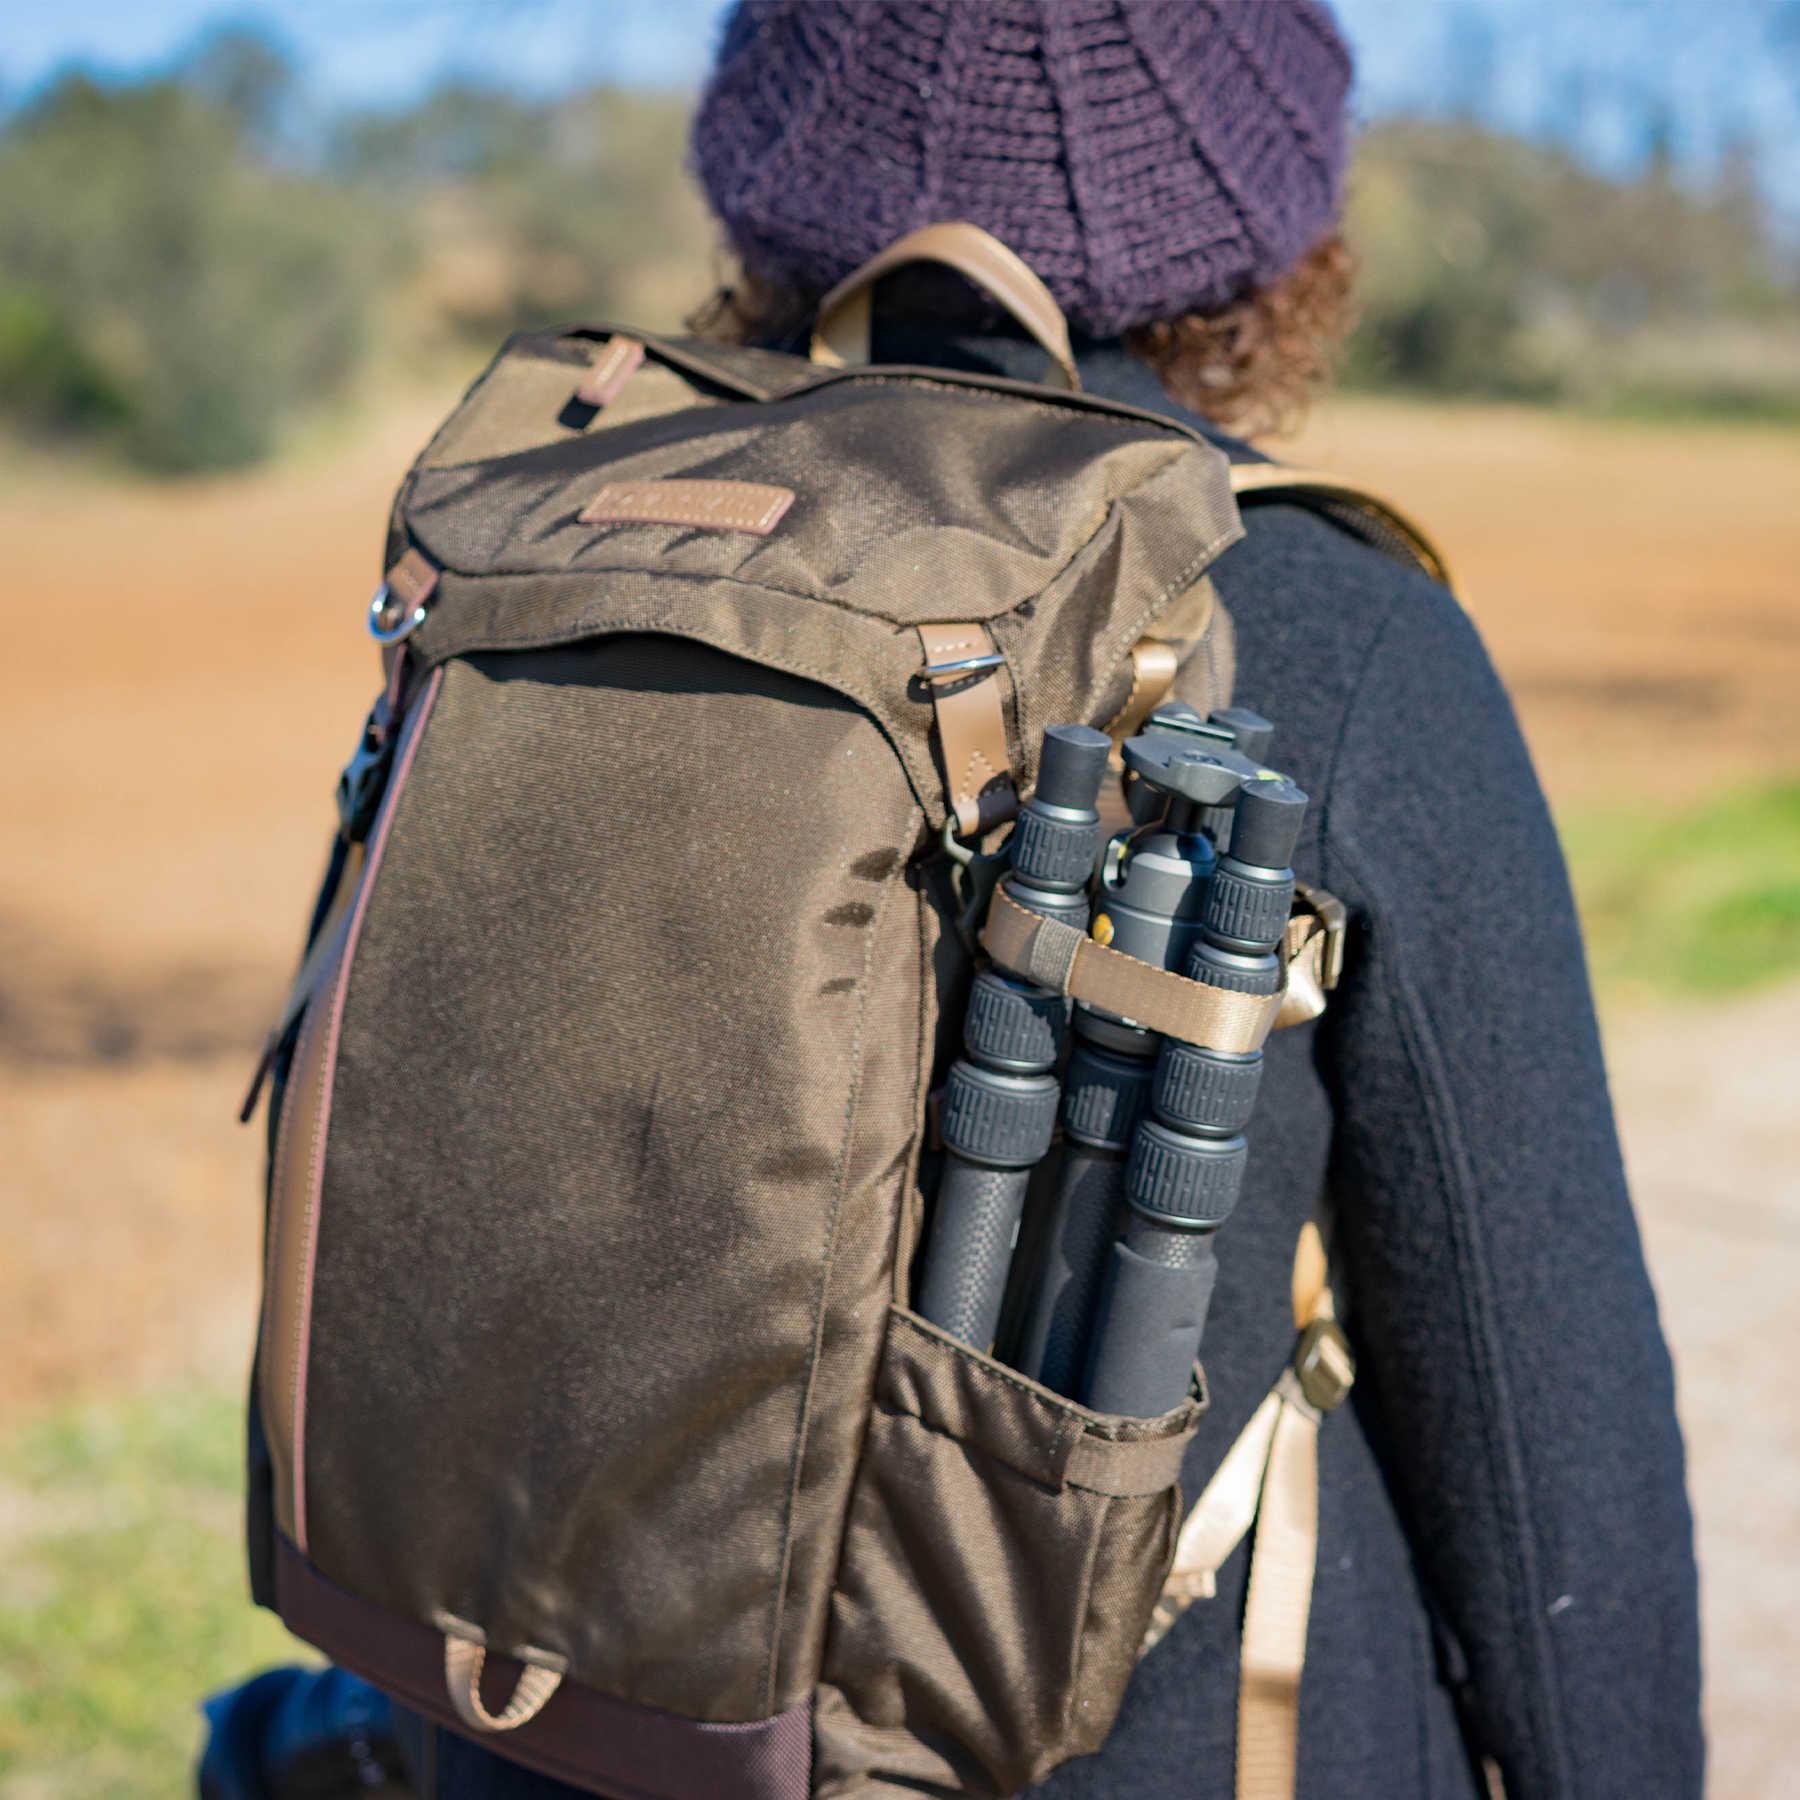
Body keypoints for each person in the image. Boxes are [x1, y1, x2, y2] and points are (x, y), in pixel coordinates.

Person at [207, 3, 1703, 1794]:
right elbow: (1552, 1454)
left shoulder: (555, 535)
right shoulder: (1325, 622)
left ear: (773, 170)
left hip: (542, 1733)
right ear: (1260, 212)